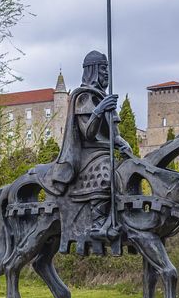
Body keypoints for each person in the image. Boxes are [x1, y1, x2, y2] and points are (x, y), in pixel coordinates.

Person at [43, 50, 134, 241]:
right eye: (103, 69)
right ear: (92, 71)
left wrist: (123, 143)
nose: (106, 73)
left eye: (107, 69)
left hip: (105, 150)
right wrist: (100, 109)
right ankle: (98, 224)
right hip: (89, 154)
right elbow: (89, 133)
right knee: (105, 173)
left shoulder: (103, 96)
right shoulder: (84, 96)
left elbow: (113, 134)